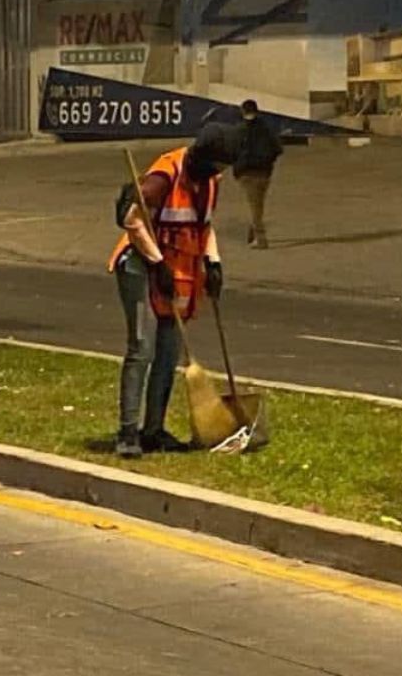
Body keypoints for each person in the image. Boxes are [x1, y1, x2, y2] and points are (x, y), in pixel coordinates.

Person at [109, 124, 237, 459]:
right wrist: (155, 262)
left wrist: (213, 261)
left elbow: (203, 225)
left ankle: (154, 430)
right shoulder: (164, 177)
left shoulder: (210, 183)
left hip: (177, 269)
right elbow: (131, 220)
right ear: (201, 157)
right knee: (142, 348)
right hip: (138, 265)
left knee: (168, 351)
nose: (217, 173)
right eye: (215, 166)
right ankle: (127, 432)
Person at [233, 99, 283, 250]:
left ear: (243, 111)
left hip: (246, 172)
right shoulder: (266, 129)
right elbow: (277, 149)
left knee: (255, 206)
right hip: (264, 173)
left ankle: (260, 239)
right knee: (257, 204)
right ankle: (252, 234)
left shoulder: (238, 130)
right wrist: (268, 161)